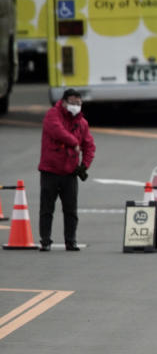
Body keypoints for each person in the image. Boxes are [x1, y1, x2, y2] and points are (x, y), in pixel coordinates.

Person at [38, 88, 95, 251]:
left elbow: (89, 146)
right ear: (63, 102)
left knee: (71, 210)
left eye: (78, 103)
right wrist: (74, 143)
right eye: (72, 102)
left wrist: (84, 165)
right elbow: (57, 131)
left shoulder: (82, 123)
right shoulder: (52, 115)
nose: (76, 106)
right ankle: (45, 241)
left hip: (70, 172)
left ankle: (71, 241)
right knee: (47, 209)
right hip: (50, 170)